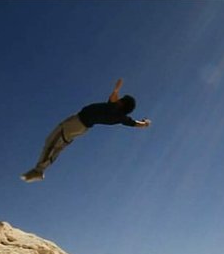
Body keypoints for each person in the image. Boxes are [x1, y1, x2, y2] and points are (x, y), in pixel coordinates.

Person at [21, 78, 151, 182]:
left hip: (76, 124)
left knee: (51, 142)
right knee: (57, 146)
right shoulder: (120, 117)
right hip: (81, 126)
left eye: (120, 100)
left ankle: (38, 171)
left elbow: (114, 96)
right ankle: (41, 169)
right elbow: (134, 123)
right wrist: (144, 124)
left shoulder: (114, 109)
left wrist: (117, 89)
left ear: (121, 104)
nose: (118, 99)